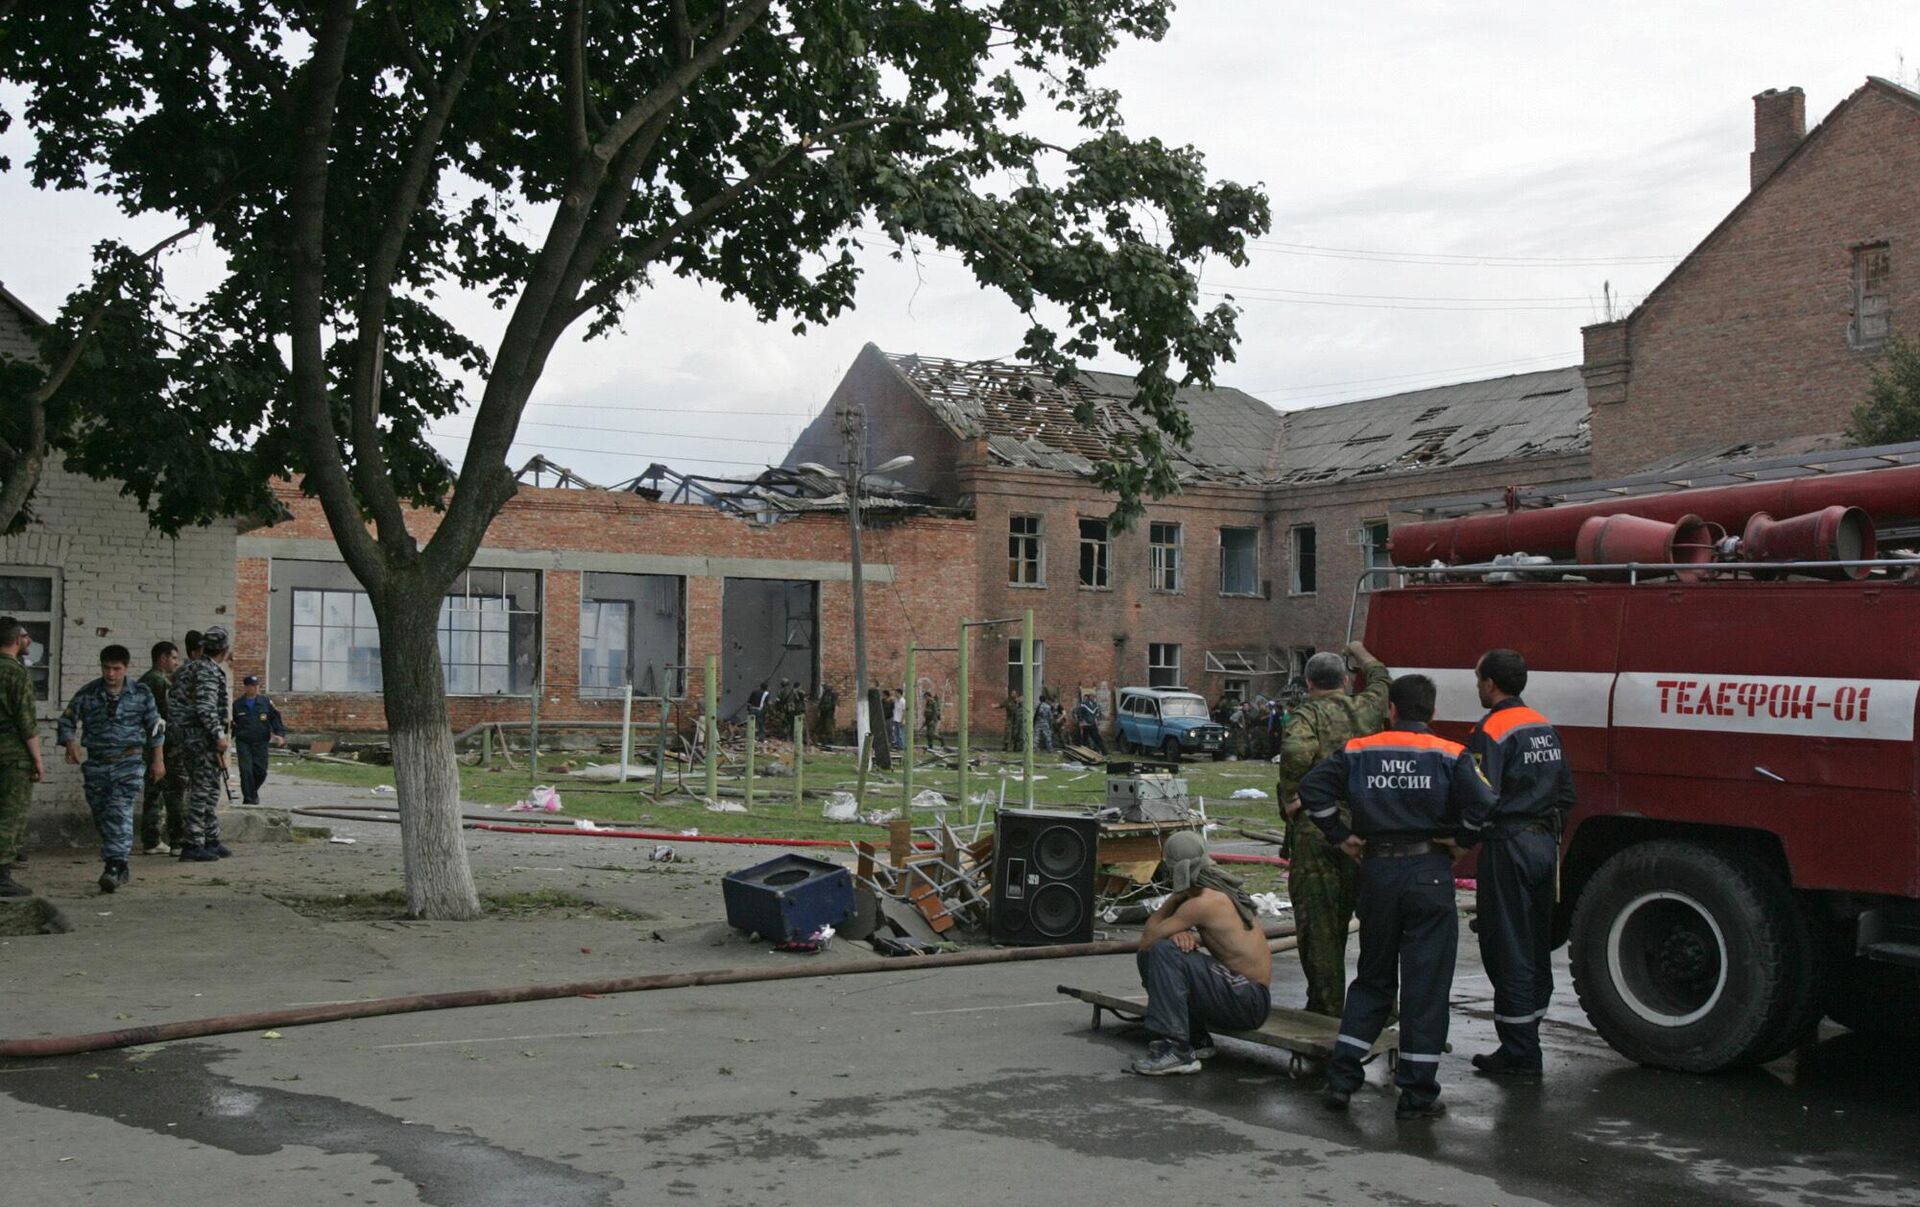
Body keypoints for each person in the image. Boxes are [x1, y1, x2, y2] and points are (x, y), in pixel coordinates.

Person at [1297, 674, 1495, 1120]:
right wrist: (1461, 842)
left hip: (1379, 871)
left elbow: (1312, 790)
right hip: (1428, 873)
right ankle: (1417, 1094)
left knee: (1373, 978)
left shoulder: (1359, 750)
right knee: (1425, 987)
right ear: (1432, 712)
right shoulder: (1450, 754)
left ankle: (1343, 1078)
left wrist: (1341, 836)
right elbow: (1484, 803)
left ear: (1391, 709)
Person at [1460, 648, 1576, 1079]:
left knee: (1505, 946)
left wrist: (1460, 842)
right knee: (1532, 943)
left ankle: (1520, 1052)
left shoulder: (1490, 730)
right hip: (1544, 845)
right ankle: (1529, 1036)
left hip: (1508, 846)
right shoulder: (1543, 726)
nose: (1477, 686)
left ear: (1490, 683)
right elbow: (1566, 794)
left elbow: (1479, 795)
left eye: (1478, 679)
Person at [1275, 641, 1393, 1017]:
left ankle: (1327, 1012)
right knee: (1378, 924)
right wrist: (1359, 649)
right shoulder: (1369, 706)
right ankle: (1382, 1007)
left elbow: (1295, 754)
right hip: (1367, 827)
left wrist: (1295, 796)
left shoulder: (1305, 715)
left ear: (1309, 683)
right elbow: (1380, 676)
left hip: (1318, 829)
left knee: (1322, 927)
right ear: (1344, 680)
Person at [1129, 830, 1274, 1075]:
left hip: (1249, 1001)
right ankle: (1198, 1040)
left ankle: (1178, 1050)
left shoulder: (1203, 902)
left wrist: (1174, 901)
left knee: (1160, 951)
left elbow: (1147, 940)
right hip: (1244, 995)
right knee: (1164, 950)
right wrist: (1175, 932)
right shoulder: (1214, 888)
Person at [57, 644, 166, 893]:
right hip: (97, 763)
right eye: (106, 668)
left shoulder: (140, 693)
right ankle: (118, 862)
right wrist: (70, 742)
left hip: (128, 762)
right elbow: (67, 719)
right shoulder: (89, 693)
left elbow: (155, 727)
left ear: (126, 668)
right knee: (103, 814)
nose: (111, 674)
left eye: (116, 669)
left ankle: (114, 866)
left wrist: (158, 760)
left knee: (119, 810)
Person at [171, 623, 233, 861]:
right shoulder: (207, 671)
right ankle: (193, 844)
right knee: (202, 789)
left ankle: (210, 839)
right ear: (224, 650)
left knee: (210, 788)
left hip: (188, 738)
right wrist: (219, 736)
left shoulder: (189, 668)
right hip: (200, 739)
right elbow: (206, 707)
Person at [0, 617, 46, 898]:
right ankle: (2, 874)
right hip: (12, 753)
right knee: (10, 815)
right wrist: (38, 760)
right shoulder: (16, 673)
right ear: (17, 640)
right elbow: (26, 722)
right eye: (26, 637)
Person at [137, 641, 186, 854]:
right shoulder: (159, 683)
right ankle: (177, 840)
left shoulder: (143, 682)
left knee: (152, 793)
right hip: (164, 746)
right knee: (173, 792)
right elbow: (166, 717)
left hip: (149, 745)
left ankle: (151, 839)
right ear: (163, 658)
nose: (177, 662)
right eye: (174, 658)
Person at [231, 674, 287, 805]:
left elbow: (275, 719)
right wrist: (227, 739)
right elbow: (232, 724)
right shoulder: (237, 705)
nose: (255, 688)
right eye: (252, 686)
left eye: (257, 686)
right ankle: (249, 799)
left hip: (261, 741)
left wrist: (280, 734)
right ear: (245, 687)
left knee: (260, 771)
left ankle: (252, 792)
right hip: (243, 742)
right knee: (246, 771)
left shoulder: (265, 702)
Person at [813, 682, 837, 747]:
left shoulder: (832, 694)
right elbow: (821, 702)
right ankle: (823, 741)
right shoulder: (824, 694)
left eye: (825, 687)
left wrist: (825, 708)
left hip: (829, 714)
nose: (824, 689)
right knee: (821, 726)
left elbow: (833, 705)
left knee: (828, 727)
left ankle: (830, 741)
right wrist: (820, 707)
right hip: (823, 713)